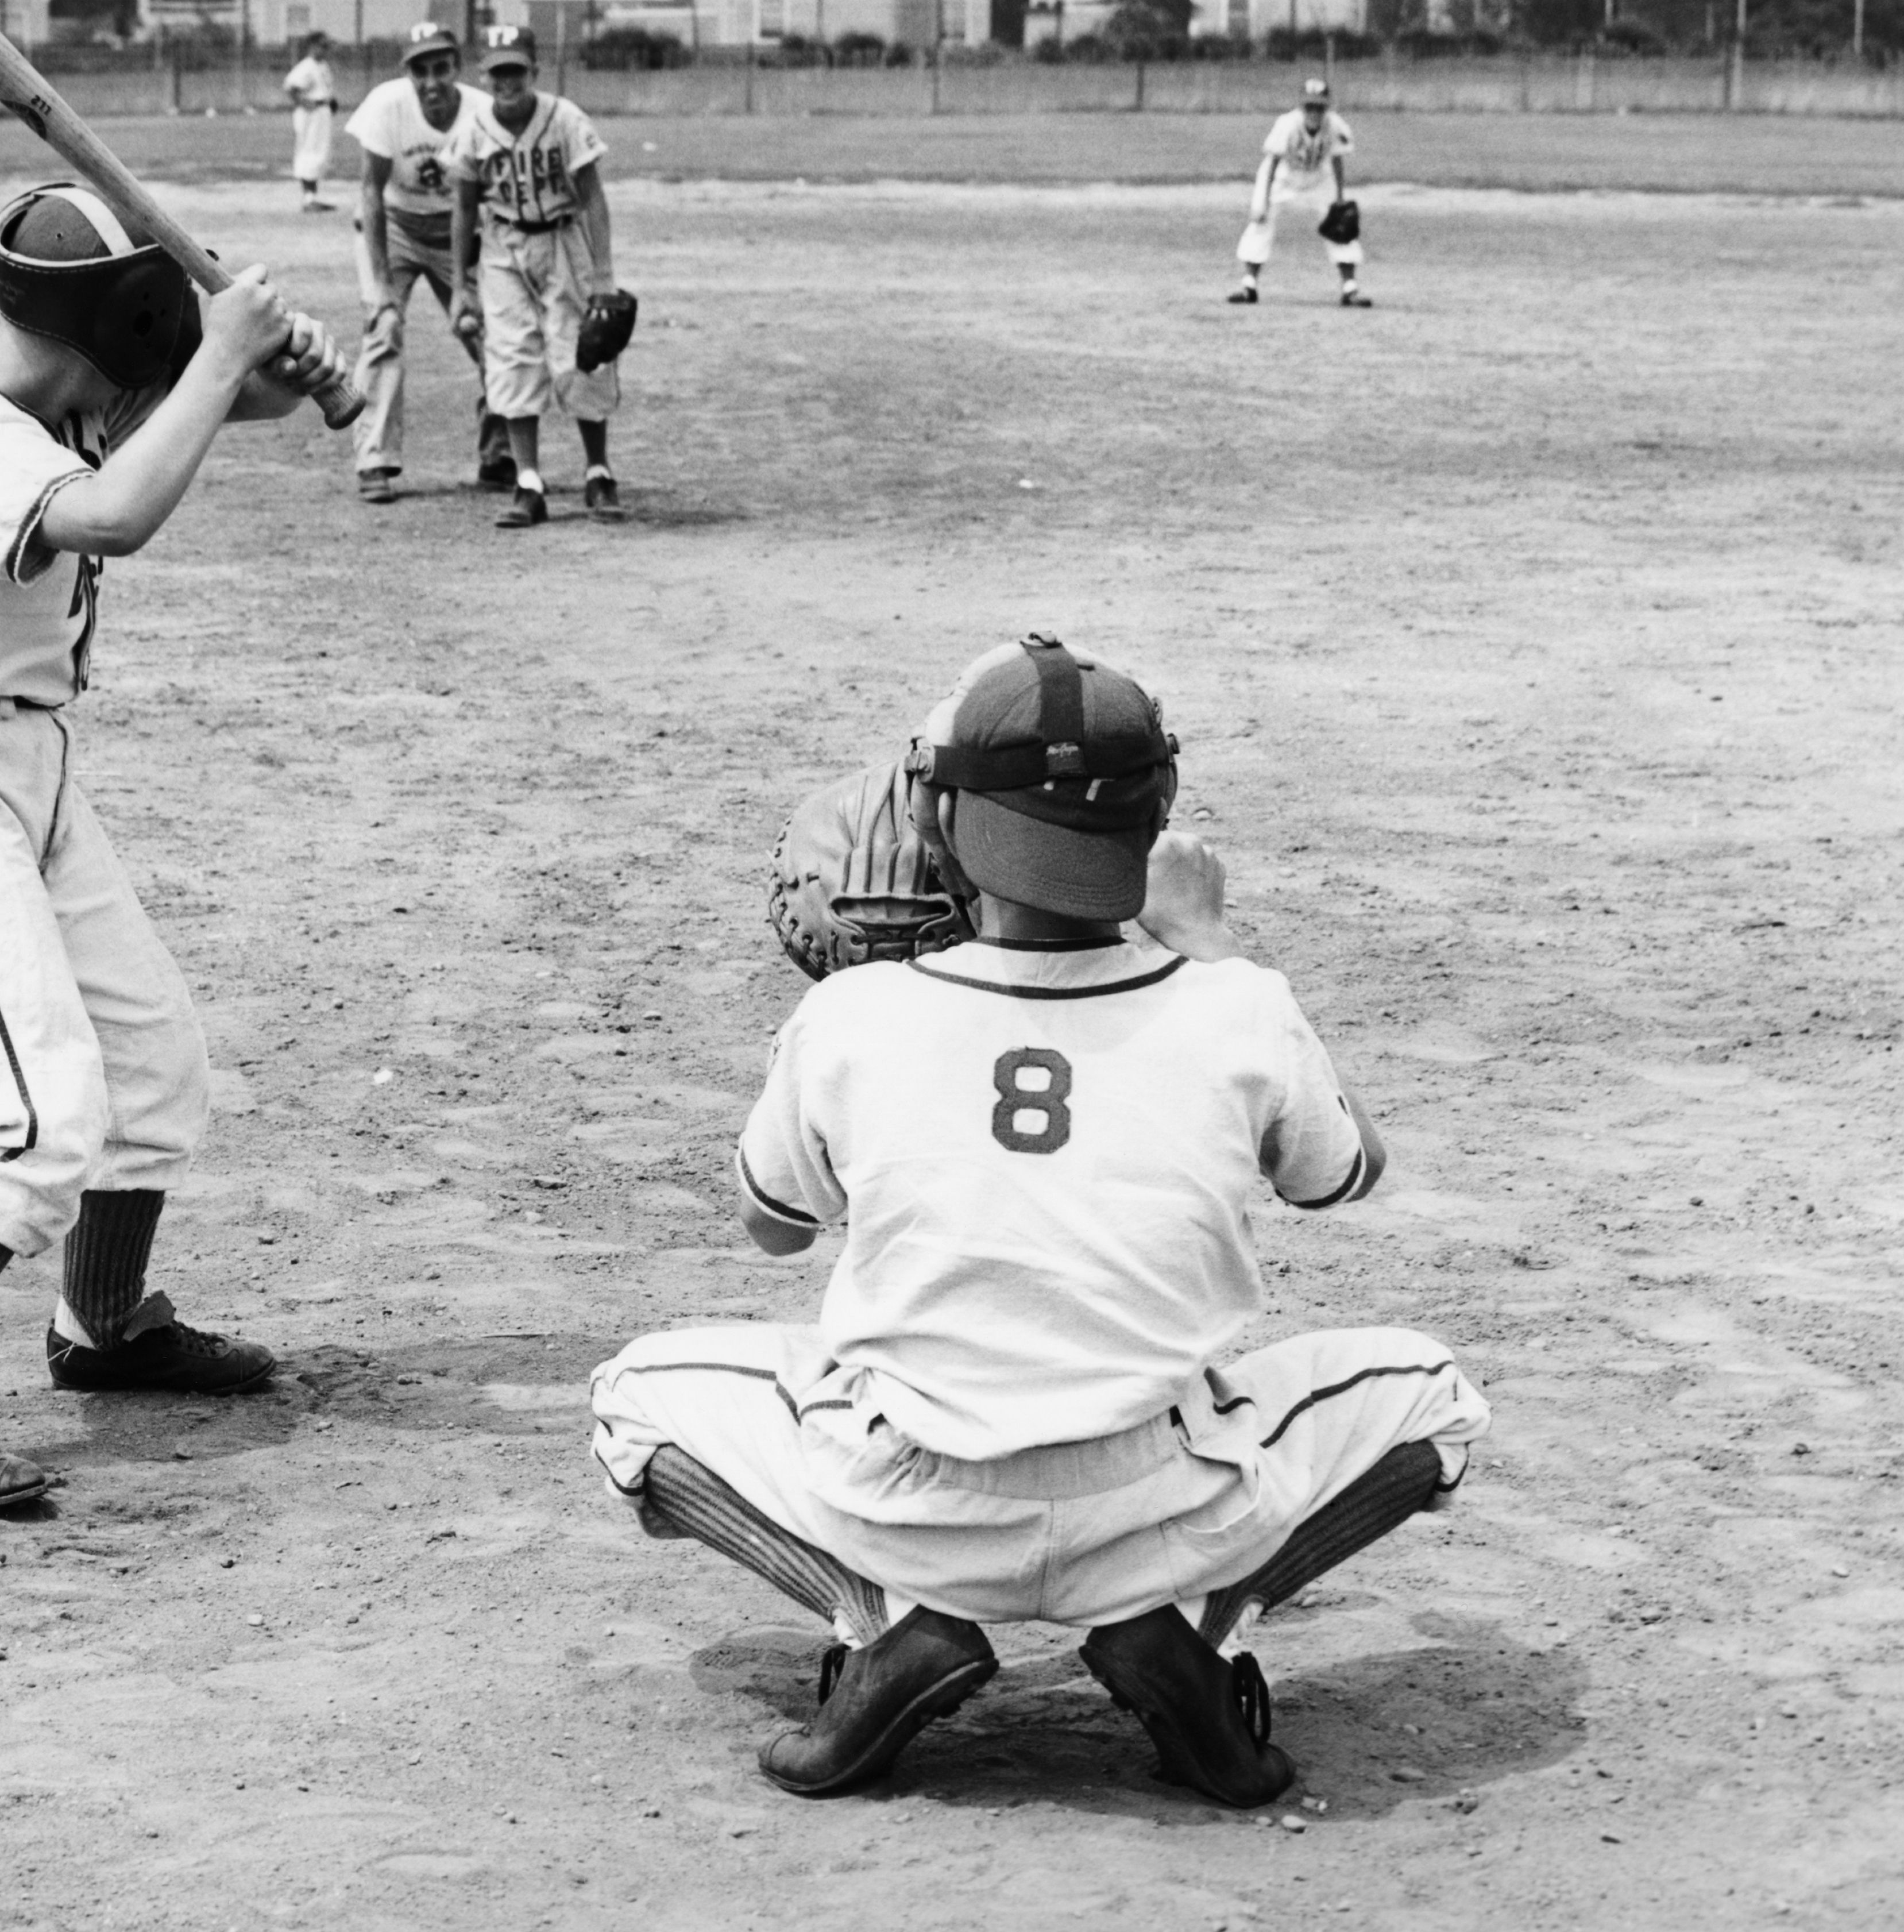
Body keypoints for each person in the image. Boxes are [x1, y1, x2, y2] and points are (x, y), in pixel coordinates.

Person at [590, 634, 1488, 1802]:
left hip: (905, 1493)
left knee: (629, 1397)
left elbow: (771, 1226)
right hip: (1159, 1497)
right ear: (1157, 820)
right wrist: (1210, 944)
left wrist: (855, 1036)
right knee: (1437, 1398)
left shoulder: (855, 1015)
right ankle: (1192, 1632)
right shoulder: (1232, 1005)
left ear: (948, 825)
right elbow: (1344, 1174)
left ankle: (885, 1626)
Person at [0, 183, 342, 1517]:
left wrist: (274, 370)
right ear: (114, 320)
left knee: (150, 1063)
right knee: (29, 1109)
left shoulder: (51, 402)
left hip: (22, 769)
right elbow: (115, 514)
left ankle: (104, 1328)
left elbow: (191, 413)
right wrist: (224, 355)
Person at [445, 25, 621, 529]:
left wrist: (603, 274)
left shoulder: (564, 118)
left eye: (515, 70)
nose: (507, 81)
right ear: (485, 75)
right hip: (502, 245)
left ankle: (598, 473)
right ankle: (528, 483)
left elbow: (591, 196)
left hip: (564, 242)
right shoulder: (475, 127)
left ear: (534, 72)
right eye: (497, 72)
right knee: (512, 358)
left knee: (582, 355)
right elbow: (462, 209)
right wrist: (461, 286)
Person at [342, 22, 511, 503]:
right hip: (394, 227)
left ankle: (499, 453)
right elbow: (370, 195)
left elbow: (481, 199)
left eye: (441, 67)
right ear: (408, 73)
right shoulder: (385, 105)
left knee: (486, 331)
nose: (431, 80)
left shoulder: (481, 113)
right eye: (420, 69)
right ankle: (374, 459)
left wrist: (464, 285)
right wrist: (380, 287)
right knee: (384, 329)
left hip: (456, 232)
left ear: (457, 67)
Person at [1231, 76, 1365, 307]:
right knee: (1260, 223)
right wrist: (1263, 201)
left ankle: (1350, 288)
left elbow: (1338, 160)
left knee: (1340, 224)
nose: (1314, 111)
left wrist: (1340, 198)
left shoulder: (1335, 125)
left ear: (1327, 106)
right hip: (1282, 178)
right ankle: (1249, 286)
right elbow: (1272, 162)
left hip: (1318, 179)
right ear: (1301, 106)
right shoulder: (1287, 124)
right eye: (1309, 106)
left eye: (1319, 106)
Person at [283, 32, 339, 211]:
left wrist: (331, 101)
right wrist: (305, 102)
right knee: (309, 151)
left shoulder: (321, 65)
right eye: (323, 46)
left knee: (320, 152)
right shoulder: (306, 66)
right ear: (313, 46)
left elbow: (325, 89)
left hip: (322, 112)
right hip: (311, 114)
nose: (326, 49)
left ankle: (312, 197)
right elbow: (291, 87)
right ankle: (308, 199)